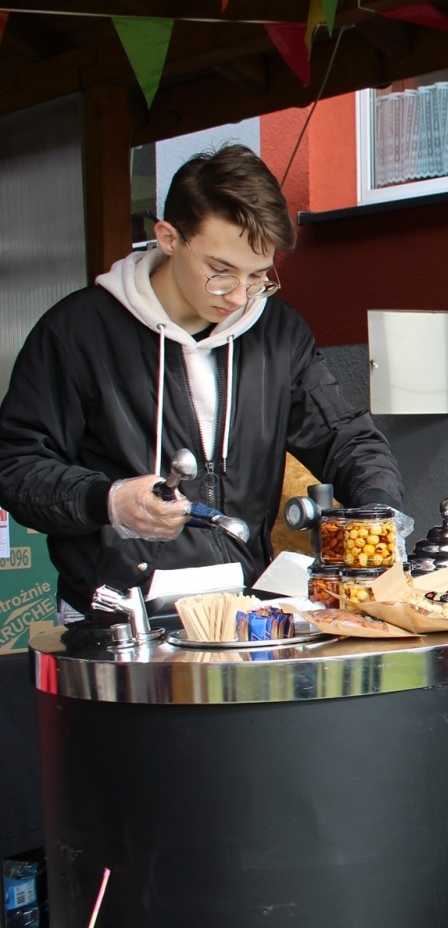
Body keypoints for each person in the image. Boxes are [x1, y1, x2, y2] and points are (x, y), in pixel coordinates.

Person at [0, 145, 402, 619]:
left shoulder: (277, 332)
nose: (238, 297)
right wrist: (106, 500)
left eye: (258, 277)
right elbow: (17, 464)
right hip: (115, 613)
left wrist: (382, 516)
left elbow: (344, 437)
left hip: (242, 606)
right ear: (169, 237)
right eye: (220, 272)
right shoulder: (77, 332)